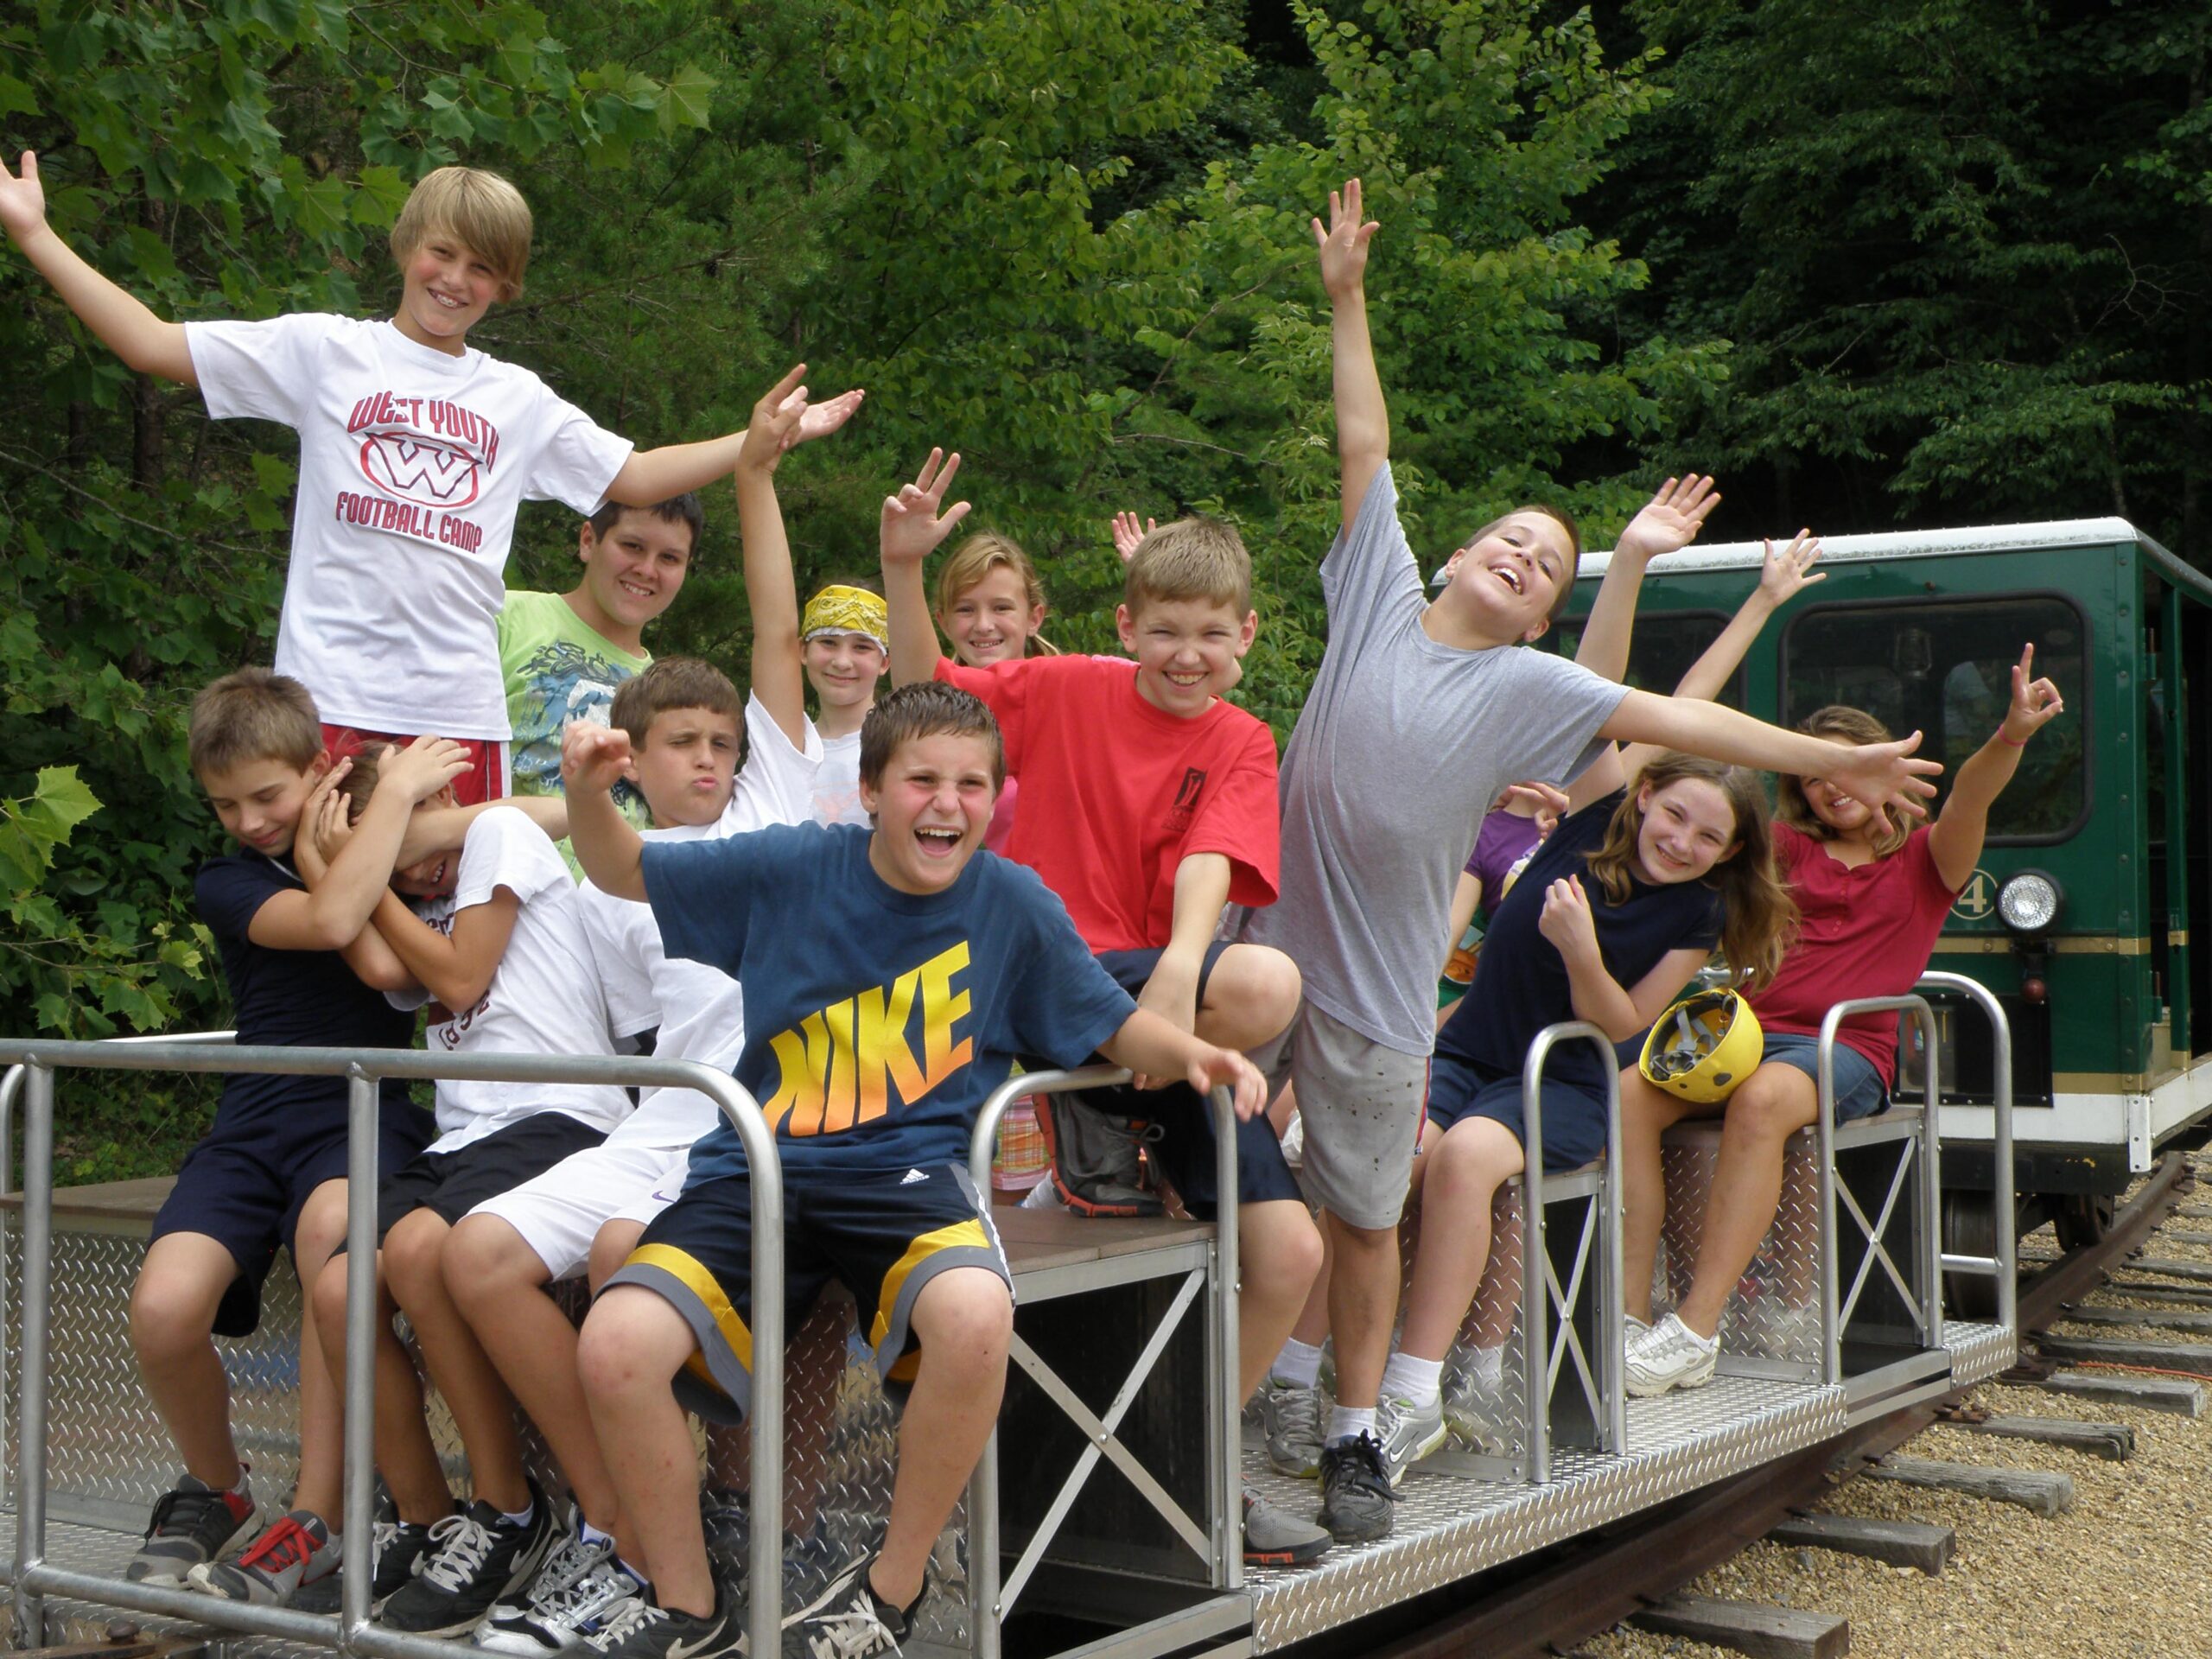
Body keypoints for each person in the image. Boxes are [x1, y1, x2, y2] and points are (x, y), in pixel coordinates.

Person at [1246, 178, 1941, 1545]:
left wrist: (1825, 759)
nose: (1521, 557)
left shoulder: (1526, 694)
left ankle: (1352, 1432)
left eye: (1548, 565)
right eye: (1510, 539)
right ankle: (1255, 1388)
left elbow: (1681, 718)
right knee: (1234, 1186)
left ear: (1546, 618)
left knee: (1365, 1212)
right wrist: (1344, 297)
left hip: (1382, 994)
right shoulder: (1375, 586)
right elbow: (1361, 434)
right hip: (1270, 958)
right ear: (1455, 553)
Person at [561, 679, 1270, 1659]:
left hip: (905, 1172)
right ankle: (688, 1610)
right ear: (869, 790)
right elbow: (623, 870)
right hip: (758, 1165)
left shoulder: (1013, 904)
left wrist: (1193, 1054)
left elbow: (1109, 1021)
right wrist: (591, 794)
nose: (948, 802)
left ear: (994, 798)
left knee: (977, 1314)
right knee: (615, 1345)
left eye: (973, 784)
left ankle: (884, 1602)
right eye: (922, 780)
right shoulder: (789, 866)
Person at [0, 151, 859, 804]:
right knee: (342, 922)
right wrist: (36, 233)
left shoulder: (512, 397)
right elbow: (151, 343)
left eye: (482, 269)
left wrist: (749, 441)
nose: (456, 281)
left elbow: (633, 473)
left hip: (457, 713)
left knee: (453, 942)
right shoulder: (328, 352)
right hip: (329, 698)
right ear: (408, 246)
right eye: (443, 254)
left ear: (505, 286)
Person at [438, 368, 828, 1654]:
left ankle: (694, 1552)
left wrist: (757, 474)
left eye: (724, 743)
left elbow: (776, 636)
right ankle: (607, 1530)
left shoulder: (771, 815)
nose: (710, 761)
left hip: (761, 1130)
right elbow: (618, 1037)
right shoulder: (618, 879)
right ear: (636, 758)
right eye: (684, 748)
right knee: (474, 1254)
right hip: (666, 1123)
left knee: (619, 1261)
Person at [881, 454, 1329, 1567]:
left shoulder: (1237, 736)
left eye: (1211, 635)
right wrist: (902, 566)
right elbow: (917, 694)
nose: (1188, 656)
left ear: (1248, 638)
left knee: (1286, 1250)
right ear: (1125, 625)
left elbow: (1214, 861)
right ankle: (963, 1489)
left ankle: (1186, 1465)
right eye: (1166, 629)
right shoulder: (1063, 687)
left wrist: (1178, 982)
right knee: (1256, 989)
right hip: (1032, 970)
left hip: (1144, 998)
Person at [1620, 645, 2065, 1395]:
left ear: (1884, 770)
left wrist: (2011, 735)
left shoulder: (1927, 860)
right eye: (1816, 772)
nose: (1833, 787)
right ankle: (1634, 1312)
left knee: (1764, 1100)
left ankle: (1695, 1328)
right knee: (1633, 1093)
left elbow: (1971, 798)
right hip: (1748, 1037)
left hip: (1848, 1046)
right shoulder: (1785, 849)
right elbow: (1692, 789)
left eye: (1851, 766)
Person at [124, 673, 461, 1595]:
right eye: (224, 803)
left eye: (266, 796)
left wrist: (602, 791)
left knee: (329, 1242)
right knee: (163, 1311)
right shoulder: (230, 878)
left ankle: (321, 1510)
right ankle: (221, 1490)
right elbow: (329, 916)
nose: (247, 820)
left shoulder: (383, 843)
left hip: (360, 1108)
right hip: (256, 1119)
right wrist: (388, 799)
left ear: (318, 768)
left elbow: (501, 824)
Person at [1382, 745, 1796, 1475]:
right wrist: (1750, 619)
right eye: (1674, 815)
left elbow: (1621, 1024)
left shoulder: (1698, 910)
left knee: (1466, 1159)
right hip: (1469, 1054)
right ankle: (1323, 1368)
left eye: (1708, 838)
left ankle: (1412, 1391)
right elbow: (1607, 696)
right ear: (1644, 797)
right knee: (1392, 1157)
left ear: (1732, 849)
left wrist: (1580, 949)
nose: (1682, 842)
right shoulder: (1589, 821)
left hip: (1568, 1081)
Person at [303, 753, 633, 1637]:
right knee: (337, 1289)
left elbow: (457, 979)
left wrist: (368, 867)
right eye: (393, 857)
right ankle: (428, 1517)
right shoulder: (413, 895)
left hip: (557, 1107)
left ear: (440, 805)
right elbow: (382, 968)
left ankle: (512, 1511)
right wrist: (345, 864)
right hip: (467, 1132)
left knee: (417, 1250)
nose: (414, 872)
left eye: (411, 843)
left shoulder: (498, 833)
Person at [499, 493, 705, 823]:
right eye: (632, 546)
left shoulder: (671, 691)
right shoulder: (506, 617)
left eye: (669, 558)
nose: (647, 570)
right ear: (588, 541)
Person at [933, 531, 1058, 851]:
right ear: (943, 622)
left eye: (1001, 608)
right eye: (965, 610)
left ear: (1034, 618)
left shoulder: (1068, 700)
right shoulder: (928, 709)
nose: (984, 624)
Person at [801, 579, 890, 826]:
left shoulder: (899, 744)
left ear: (884, 662)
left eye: (862, 647)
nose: (842, 662)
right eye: (828, 642)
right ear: (803, 651)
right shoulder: (789, 748)